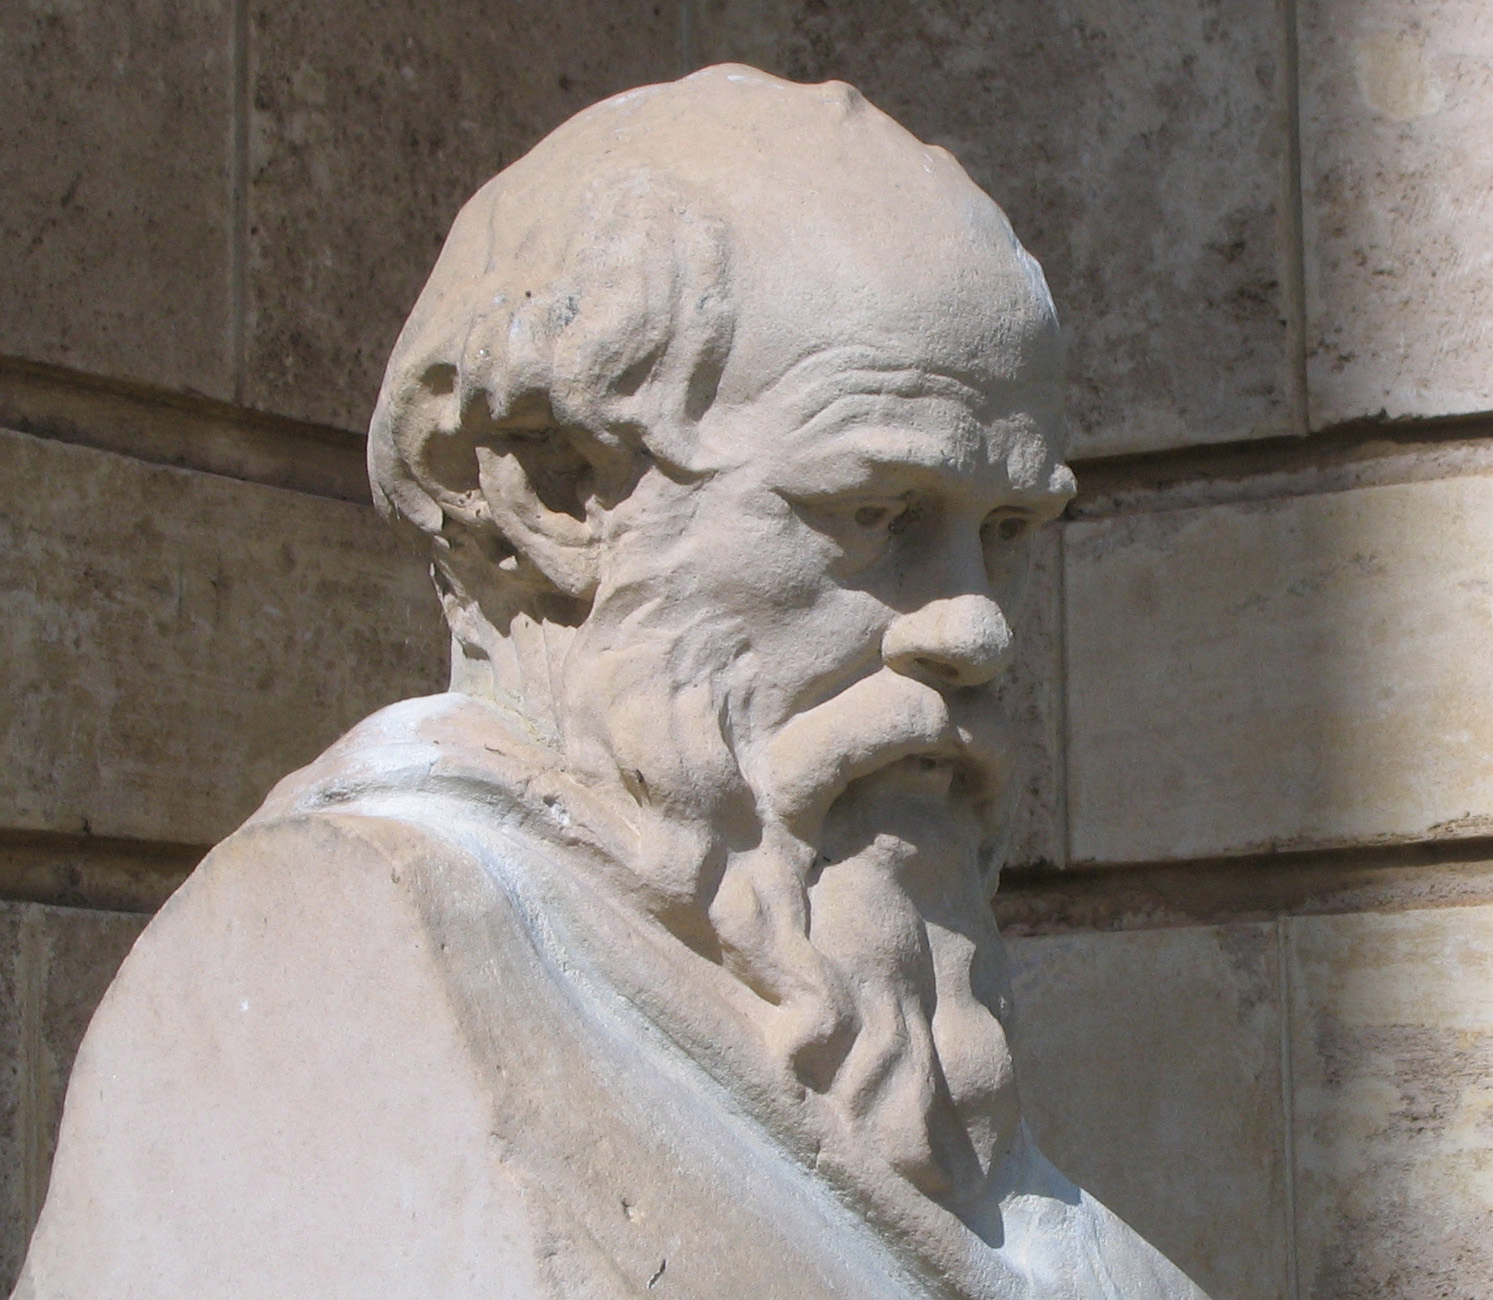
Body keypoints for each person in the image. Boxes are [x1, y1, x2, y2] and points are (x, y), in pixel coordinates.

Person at [14, 66, 1210, 1300]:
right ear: (552, 494)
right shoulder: (324, 981)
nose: (975, 628)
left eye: (1006, 532)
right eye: (876, 513)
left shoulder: (903, 1077)